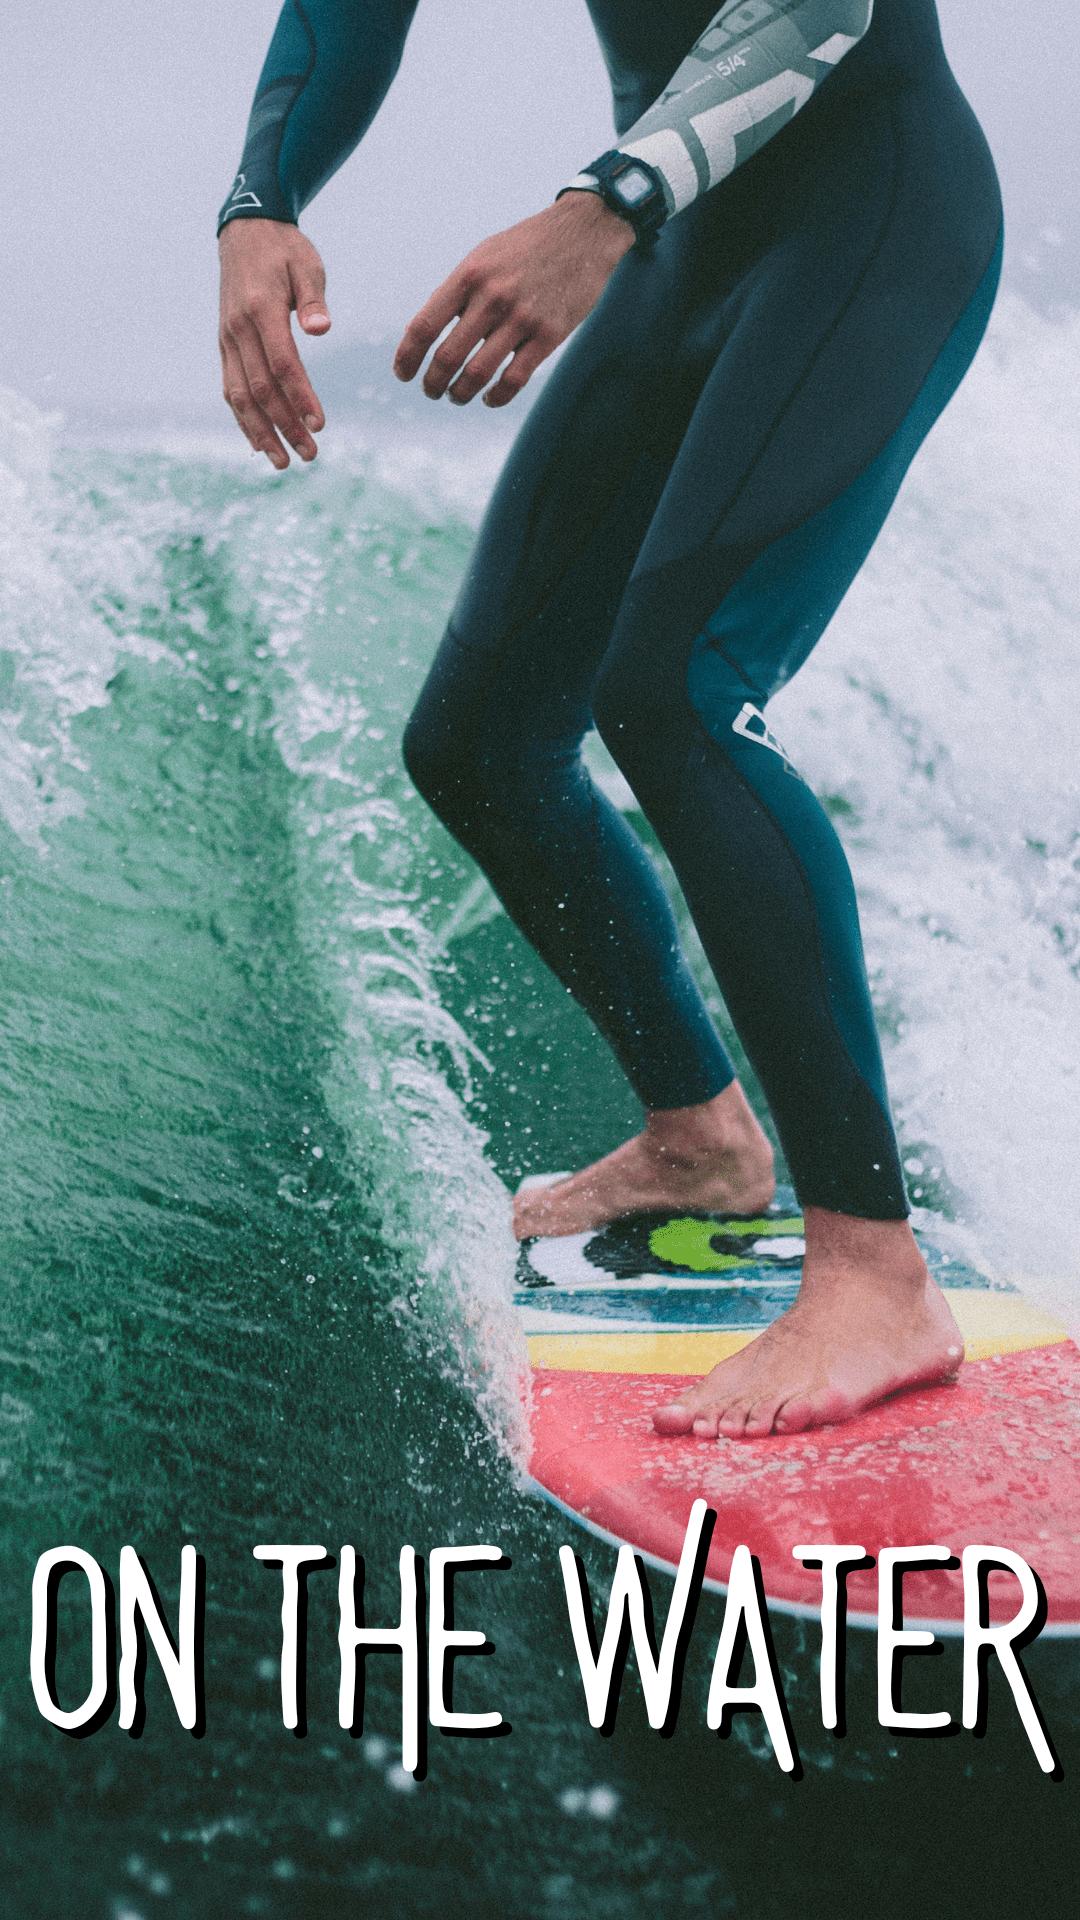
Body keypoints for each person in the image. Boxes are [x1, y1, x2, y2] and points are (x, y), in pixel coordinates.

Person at [218, 0, 1002, 1439]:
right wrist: (260, 205)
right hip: (685, 252)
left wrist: (606, 203)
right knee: (481, 740)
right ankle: (700, 1140)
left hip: (864, 221)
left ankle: (876, 1275)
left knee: (680, 696)